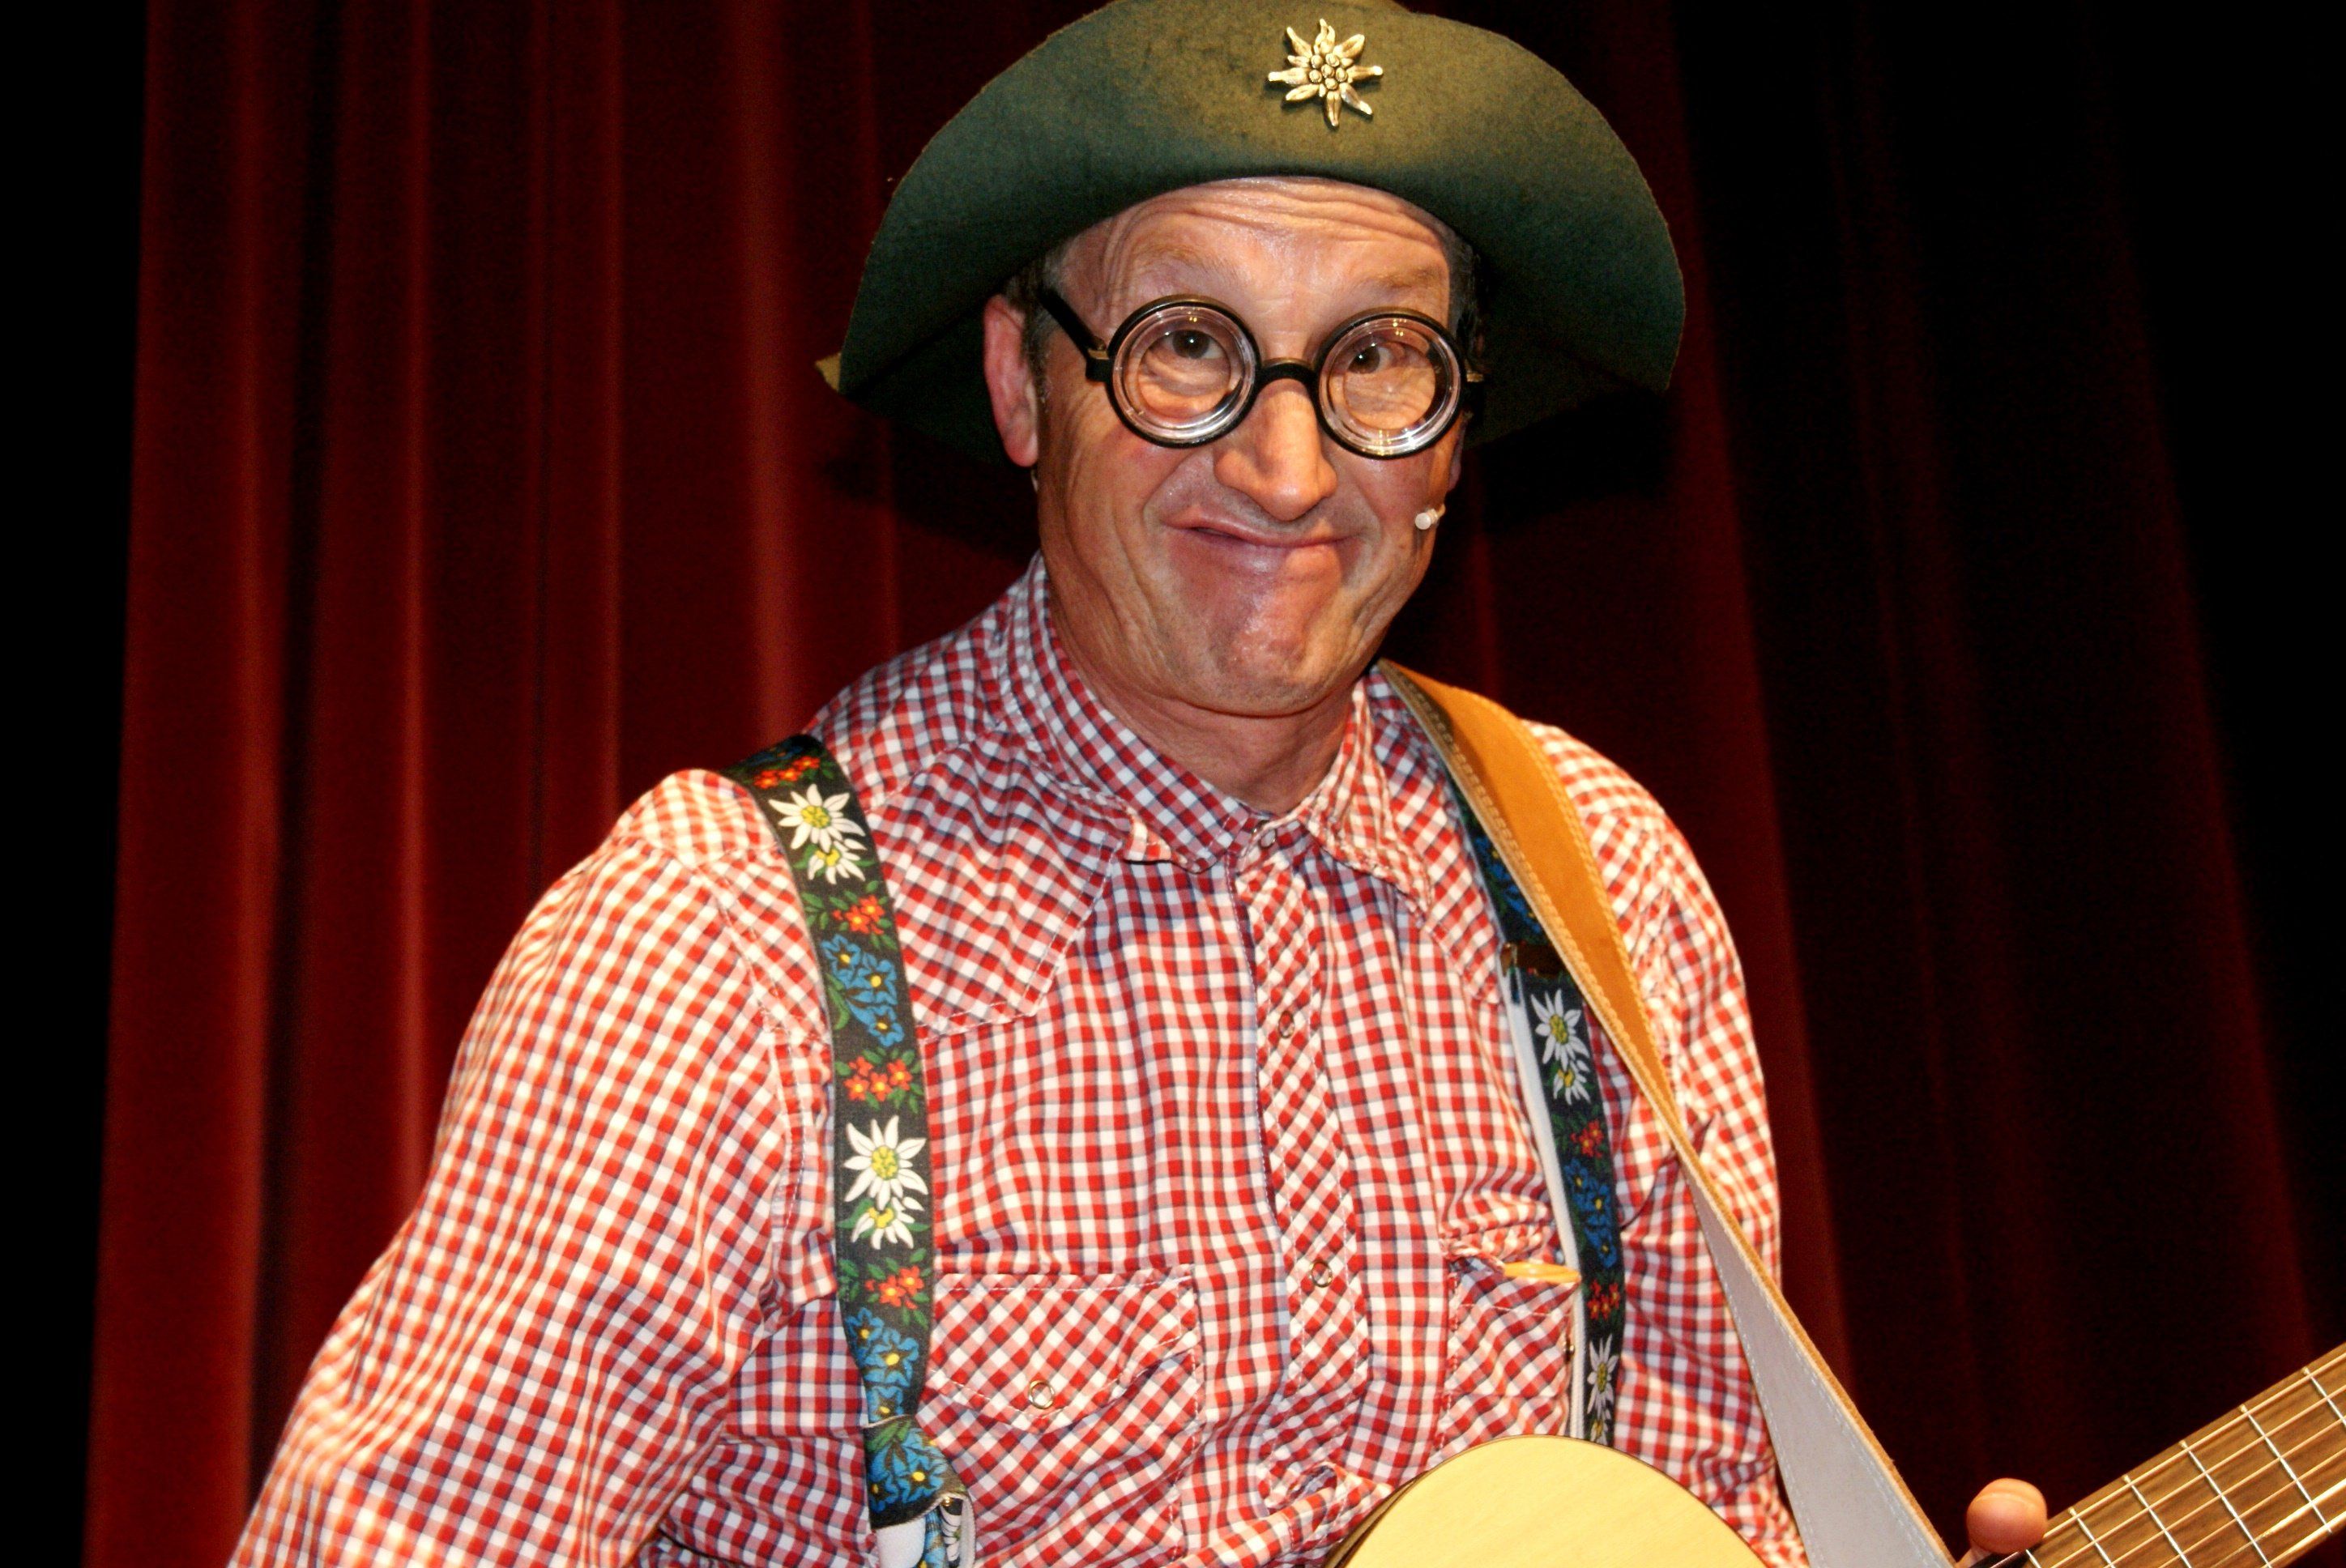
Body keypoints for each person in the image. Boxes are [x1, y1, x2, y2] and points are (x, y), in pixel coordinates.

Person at [234, 2, 2048, 1563]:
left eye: (1377, 358)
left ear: (1453, 430)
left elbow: (1709, 1509)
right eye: (1187, 344)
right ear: (1024, 385)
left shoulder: (1605, 884)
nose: (1287, 468)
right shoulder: (723, 945)